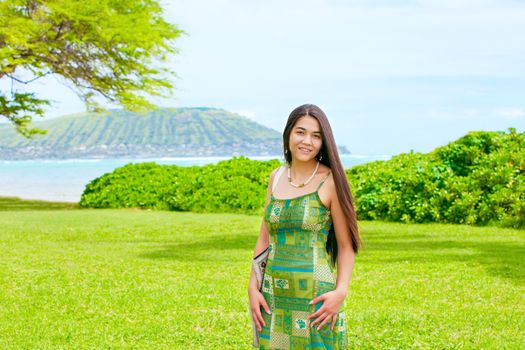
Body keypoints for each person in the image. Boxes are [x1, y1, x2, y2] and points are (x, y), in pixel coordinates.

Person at [248, 104, 362, 349]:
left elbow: (346, 246)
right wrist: (253, 287)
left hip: (315, 296)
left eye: (316, 136)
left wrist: (340, 292)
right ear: (288, 133)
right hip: (272, 294)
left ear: (323, 142)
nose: (307, 141)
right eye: (301, 132)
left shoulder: (331, 181)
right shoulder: (276, 177)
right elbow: (264, 240)